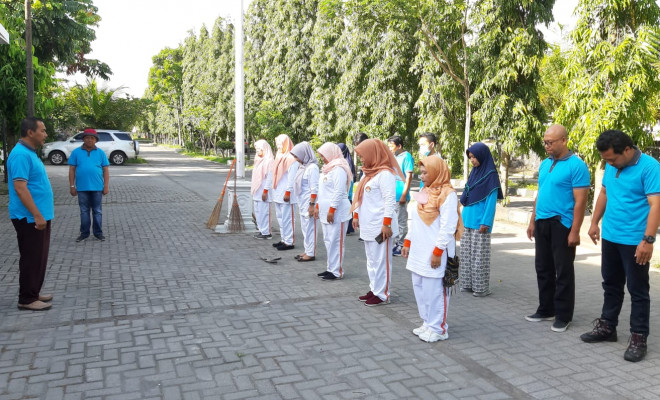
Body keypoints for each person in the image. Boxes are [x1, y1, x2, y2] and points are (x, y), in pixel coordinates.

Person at [581, 130, 660, 362]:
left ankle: (638, 336)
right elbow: (604, 193)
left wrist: (648, 240)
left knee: (638, 290)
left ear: (627, 150)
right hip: (611, 236)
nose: (610, 163)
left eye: (612, 159)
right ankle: (608, 327)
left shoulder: (650, 167)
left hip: (635, 240)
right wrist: (594, 222)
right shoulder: (612, 165)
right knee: (611, 284)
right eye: (606, 160)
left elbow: (656, 205)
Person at [526, 124, 590, 333]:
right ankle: (546, 309)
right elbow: (540, 193)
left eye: (550, 142)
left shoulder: (577, 166)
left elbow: (580, 201)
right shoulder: (545, 164)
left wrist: (574, 230)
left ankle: (563, 315)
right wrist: (532, 221)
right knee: (542, 268)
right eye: (545, 142)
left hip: (562, 223)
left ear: (564, 141)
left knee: (563, 270)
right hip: (542, 222)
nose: (547, 146)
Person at [402, 156, 460, 342]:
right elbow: (416, 219)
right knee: (420, 286)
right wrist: (408, 241)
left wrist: (438, 251)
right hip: (419, 249)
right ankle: (428, 322)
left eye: (426, 172)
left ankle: (439, 328)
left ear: (437, 171)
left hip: (436, 251)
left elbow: (448, 226)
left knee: (435, 290)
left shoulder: (447, 194)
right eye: (421, 171)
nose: (422, 175)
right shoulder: (425, 191)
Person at [7, 117, 54, 311]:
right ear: (30, 132)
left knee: (39, 257)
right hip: (28, 217)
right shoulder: (20, 155)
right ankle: (26, 299)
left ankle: (33, 292)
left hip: (38, 216)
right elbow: (20, 188)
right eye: (42, 130)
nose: (45, 134)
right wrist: (37, 215)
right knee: (31, 256)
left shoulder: (30, 153)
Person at [352, 139, 404, 306]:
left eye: (362, 155)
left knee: (382, 260)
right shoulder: (368, 173)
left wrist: (387, 223)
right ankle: (374, 288)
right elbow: (360, 197)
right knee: (372, 260)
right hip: (369, 224)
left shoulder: (385, 174)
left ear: (373, 154)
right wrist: (356, 215)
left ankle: (383, 294)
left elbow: (389, 200)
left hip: (381, 226)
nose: (361, 159)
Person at [459, 142, 504, 297]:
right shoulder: (475, 172)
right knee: (465, 255)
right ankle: (466, 284)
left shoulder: (490, 175)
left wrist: (486, 222)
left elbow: (491, 202)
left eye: (474, 157)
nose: (472, 160)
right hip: (466, 220)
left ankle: (480, 288)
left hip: (480, 223)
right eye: (470, 157)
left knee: (479, 258)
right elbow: (467, 194)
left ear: (483, 156)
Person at [314, 143, 353, 279]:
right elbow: (322, 191)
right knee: (328, 241)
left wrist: (332, 209)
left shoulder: (339, 169)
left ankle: (337, 271)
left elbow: (339, 191)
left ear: (331, 153)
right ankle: (330, 268)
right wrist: (318, 206)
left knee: (336, 241)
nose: (323, 158)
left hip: (338, 212)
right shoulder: (326, 169)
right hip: (326, 212)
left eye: (324, 155)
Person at [68, 129, 110, 242]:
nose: (89, 140)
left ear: (96, 140)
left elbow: (105, 170)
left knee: (97, 211)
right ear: (83, 139)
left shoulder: (100, 153)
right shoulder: (76, 152)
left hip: (97, 187)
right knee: (84, 211)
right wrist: (72, 186)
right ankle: (84, 233)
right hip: (81, 188)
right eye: (87, 137)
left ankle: (98, 233)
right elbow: (72, 170)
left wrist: (106, 186)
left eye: (92, 138)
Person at [290, 142, 320, 262]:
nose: (296, 159)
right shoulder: (303, 167)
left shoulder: (312, 168)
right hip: (302, 203)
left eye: (297, 156)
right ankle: (307, 250)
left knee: (310, 228)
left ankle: (311, 253)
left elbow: (314, 188)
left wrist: (312, 205)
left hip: (309, 203)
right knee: (305, 228)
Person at [270, 134, 299, 251]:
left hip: (287, 194)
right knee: (280, 218)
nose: (278, 147)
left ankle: (289, 242)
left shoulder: (292, 159)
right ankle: (283, 239)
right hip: (278, 193)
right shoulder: (279, 156)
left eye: (280, 144)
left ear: (286, 144)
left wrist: (288, 191)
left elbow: (292, 178)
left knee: (288, 218)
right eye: (277, 144)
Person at [387, 135, 414, 257]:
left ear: (399, 146)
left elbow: (408, 176)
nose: (390, 148)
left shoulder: (407, 156)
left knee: (401, 220)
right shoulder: (393, 156)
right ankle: (396, 243)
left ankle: (402, 244)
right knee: (393, 219)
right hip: (392, 194)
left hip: (400, 193)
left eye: (391, 146)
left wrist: (404, 194)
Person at [251, 139, 274, 240]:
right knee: (258, 212)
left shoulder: (269, 161)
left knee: (264, 212)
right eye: (256, 149)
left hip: (264, 191)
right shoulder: (257, 160)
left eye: (259, 149)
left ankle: (266, 232)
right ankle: (261, 230)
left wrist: (265, 191)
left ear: (265, 149)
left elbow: (270, 178)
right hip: (257, 191)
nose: (257, 151)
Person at [337, 143, 356, 235]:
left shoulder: (346, 162)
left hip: (347, 187)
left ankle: (348, 228)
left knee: (347, 205)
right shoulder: (343, 161)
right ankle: (348, 228)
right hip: (345, 187)